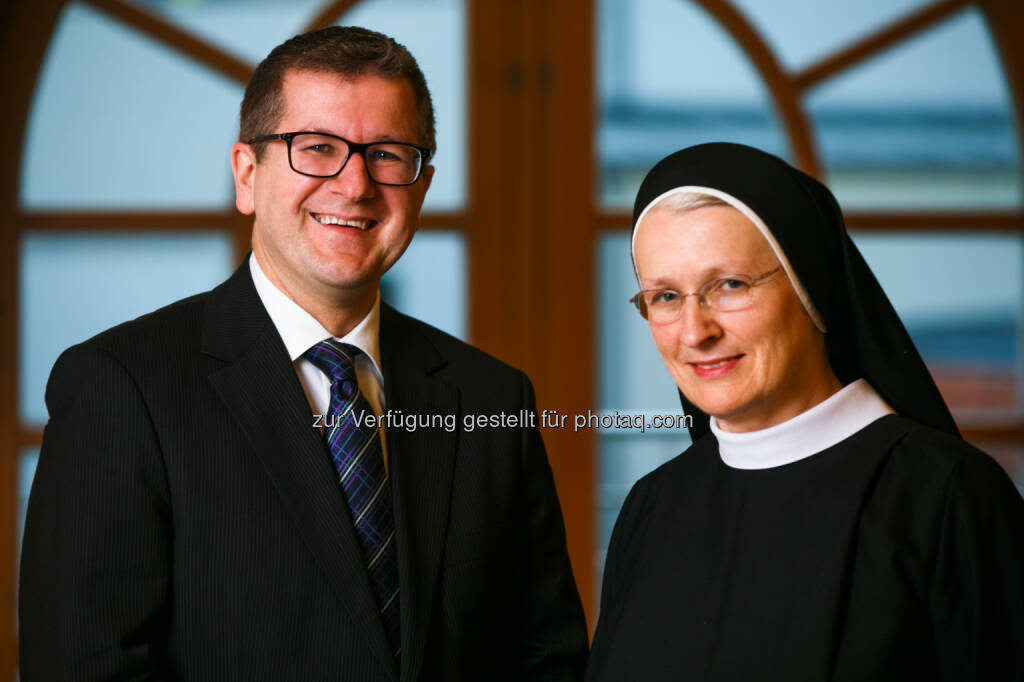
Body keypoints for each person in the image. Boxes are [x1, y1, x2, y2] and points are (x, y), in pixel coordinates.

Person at [20, 26, 588, 681]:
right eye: (316, 148)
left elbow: (548, 661)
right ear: (246, 174)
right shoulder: (123, 387)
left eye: (387, 154)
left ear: (422, 186)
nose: (353, 185)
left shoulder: (492, 397)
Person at [586, 142, 1024, 681]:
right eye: (666, 297)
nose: (696, 333)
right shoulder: (653, 505)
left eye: (730, 285)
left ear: (810, 284)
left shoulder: (948, 496)